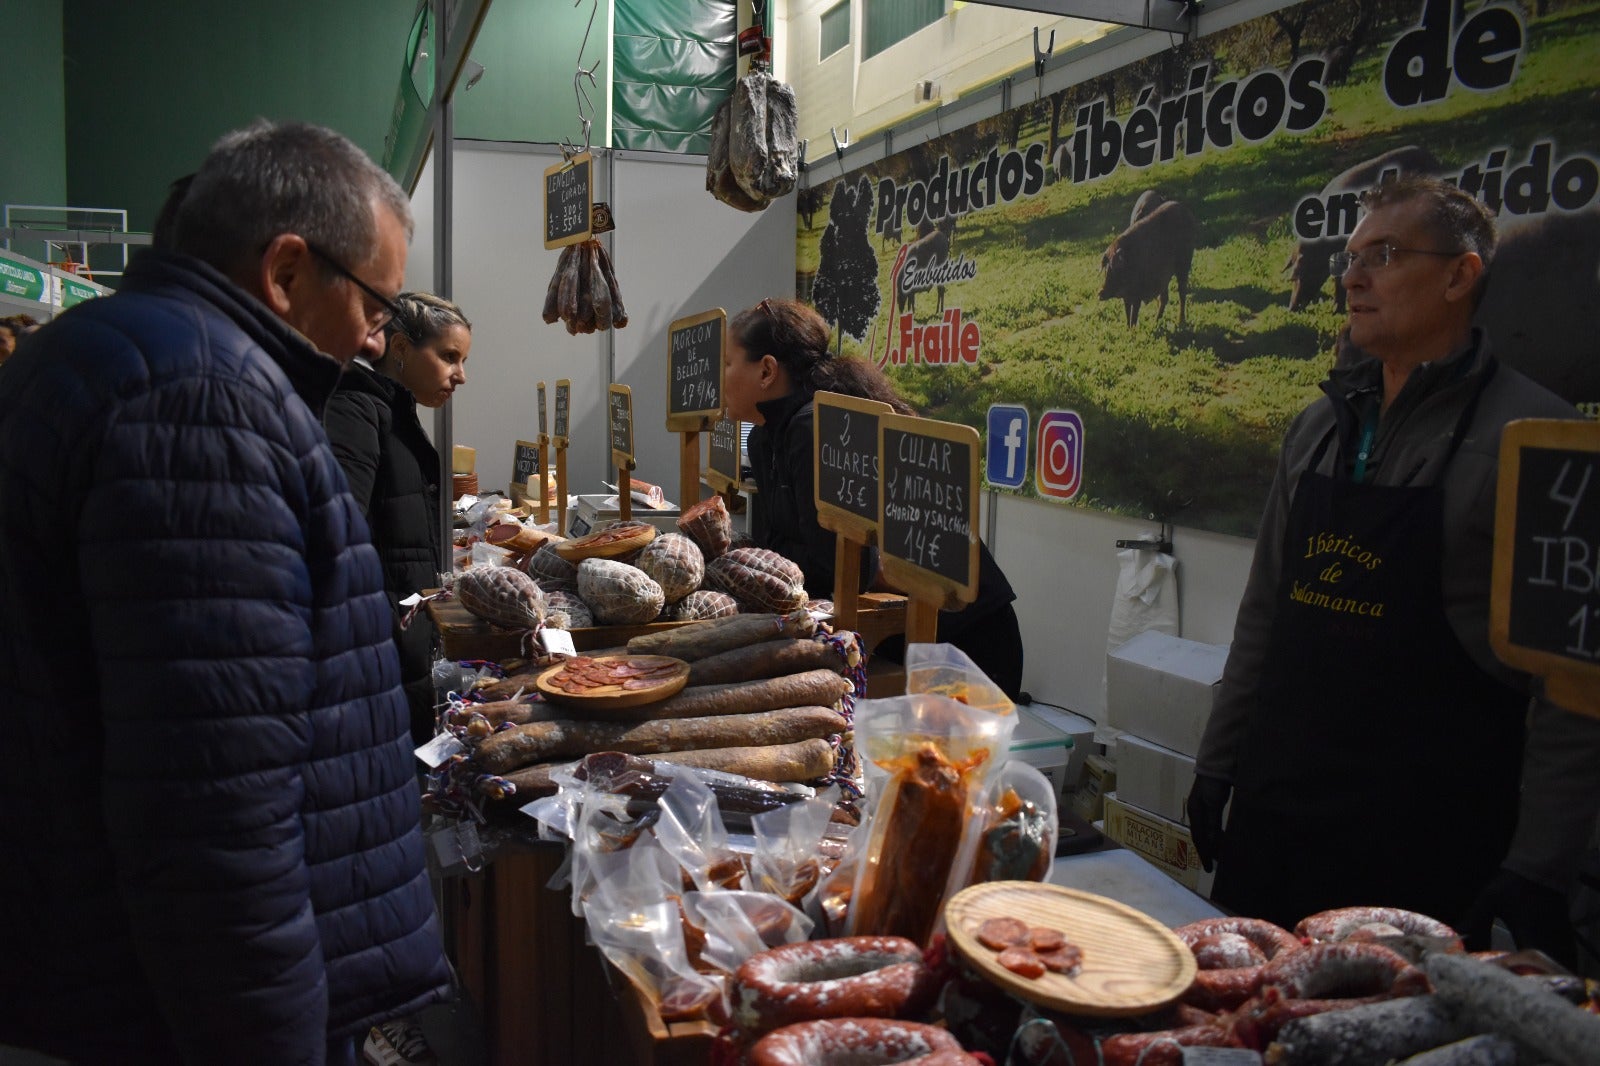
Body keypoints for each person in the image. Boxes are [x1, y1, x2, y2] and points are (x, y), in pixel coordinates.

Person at [0, 121, 450, 1064]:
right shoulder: (202, 401)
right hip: (153, 1011)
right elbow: (215, 813)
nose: (379, 334)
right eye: (378, 302)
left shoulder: (112, 353)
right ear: (287, 271)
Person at [1186, 176, 1600, 957]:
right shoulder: (1318, 427)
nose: (1352, 278)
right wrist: (1219, 764)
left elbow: (1572, 684)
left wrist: (1541, 866)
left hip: (1425, 840)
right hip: (1279, 811)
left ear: (1460, 275)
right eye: (1351, 258)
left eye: (1384, 254)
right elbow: (1265, 611)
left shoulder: (1539, 439)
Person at [723, 297, 1024, 699]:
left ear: (766, 371)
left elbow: (837, 566)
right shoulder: (765, 438)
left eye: (728, 363)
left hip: (967, 642)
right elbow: (783, 551)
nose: (720, 376)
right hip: (899, 646)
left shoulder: (812, 429)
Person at [325, 292, 472, 747]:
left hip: (400, 645)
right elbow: (336, 538)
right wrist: (391, 622)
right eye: (449, 357)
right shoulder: (355, 411)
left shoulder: (393, 411)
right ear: (402, 350)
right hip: (378, 653)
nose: (460, 376)